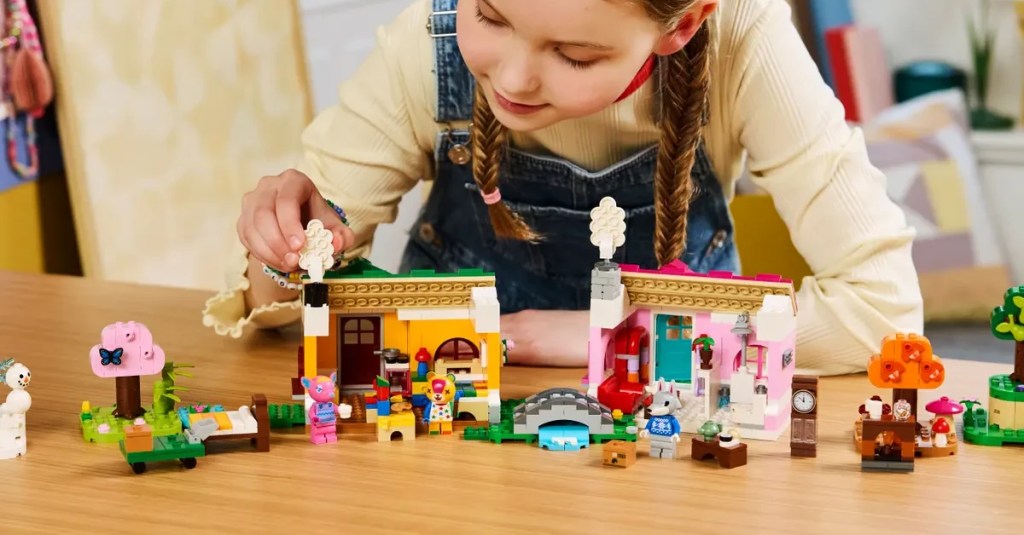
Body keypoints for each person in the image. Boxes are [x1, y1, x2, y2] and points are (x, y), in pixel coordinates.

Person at [202, 0, 923, 376]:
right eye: (490, 15)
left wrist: (606, 334)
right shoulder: (425, 43)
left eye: (575, 56)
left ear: (686, 23)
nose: (512, 79)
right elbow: (283, 319)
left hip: (663, 423)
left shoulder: (743, 43)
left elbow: (882, 311)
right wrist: (278, 252)